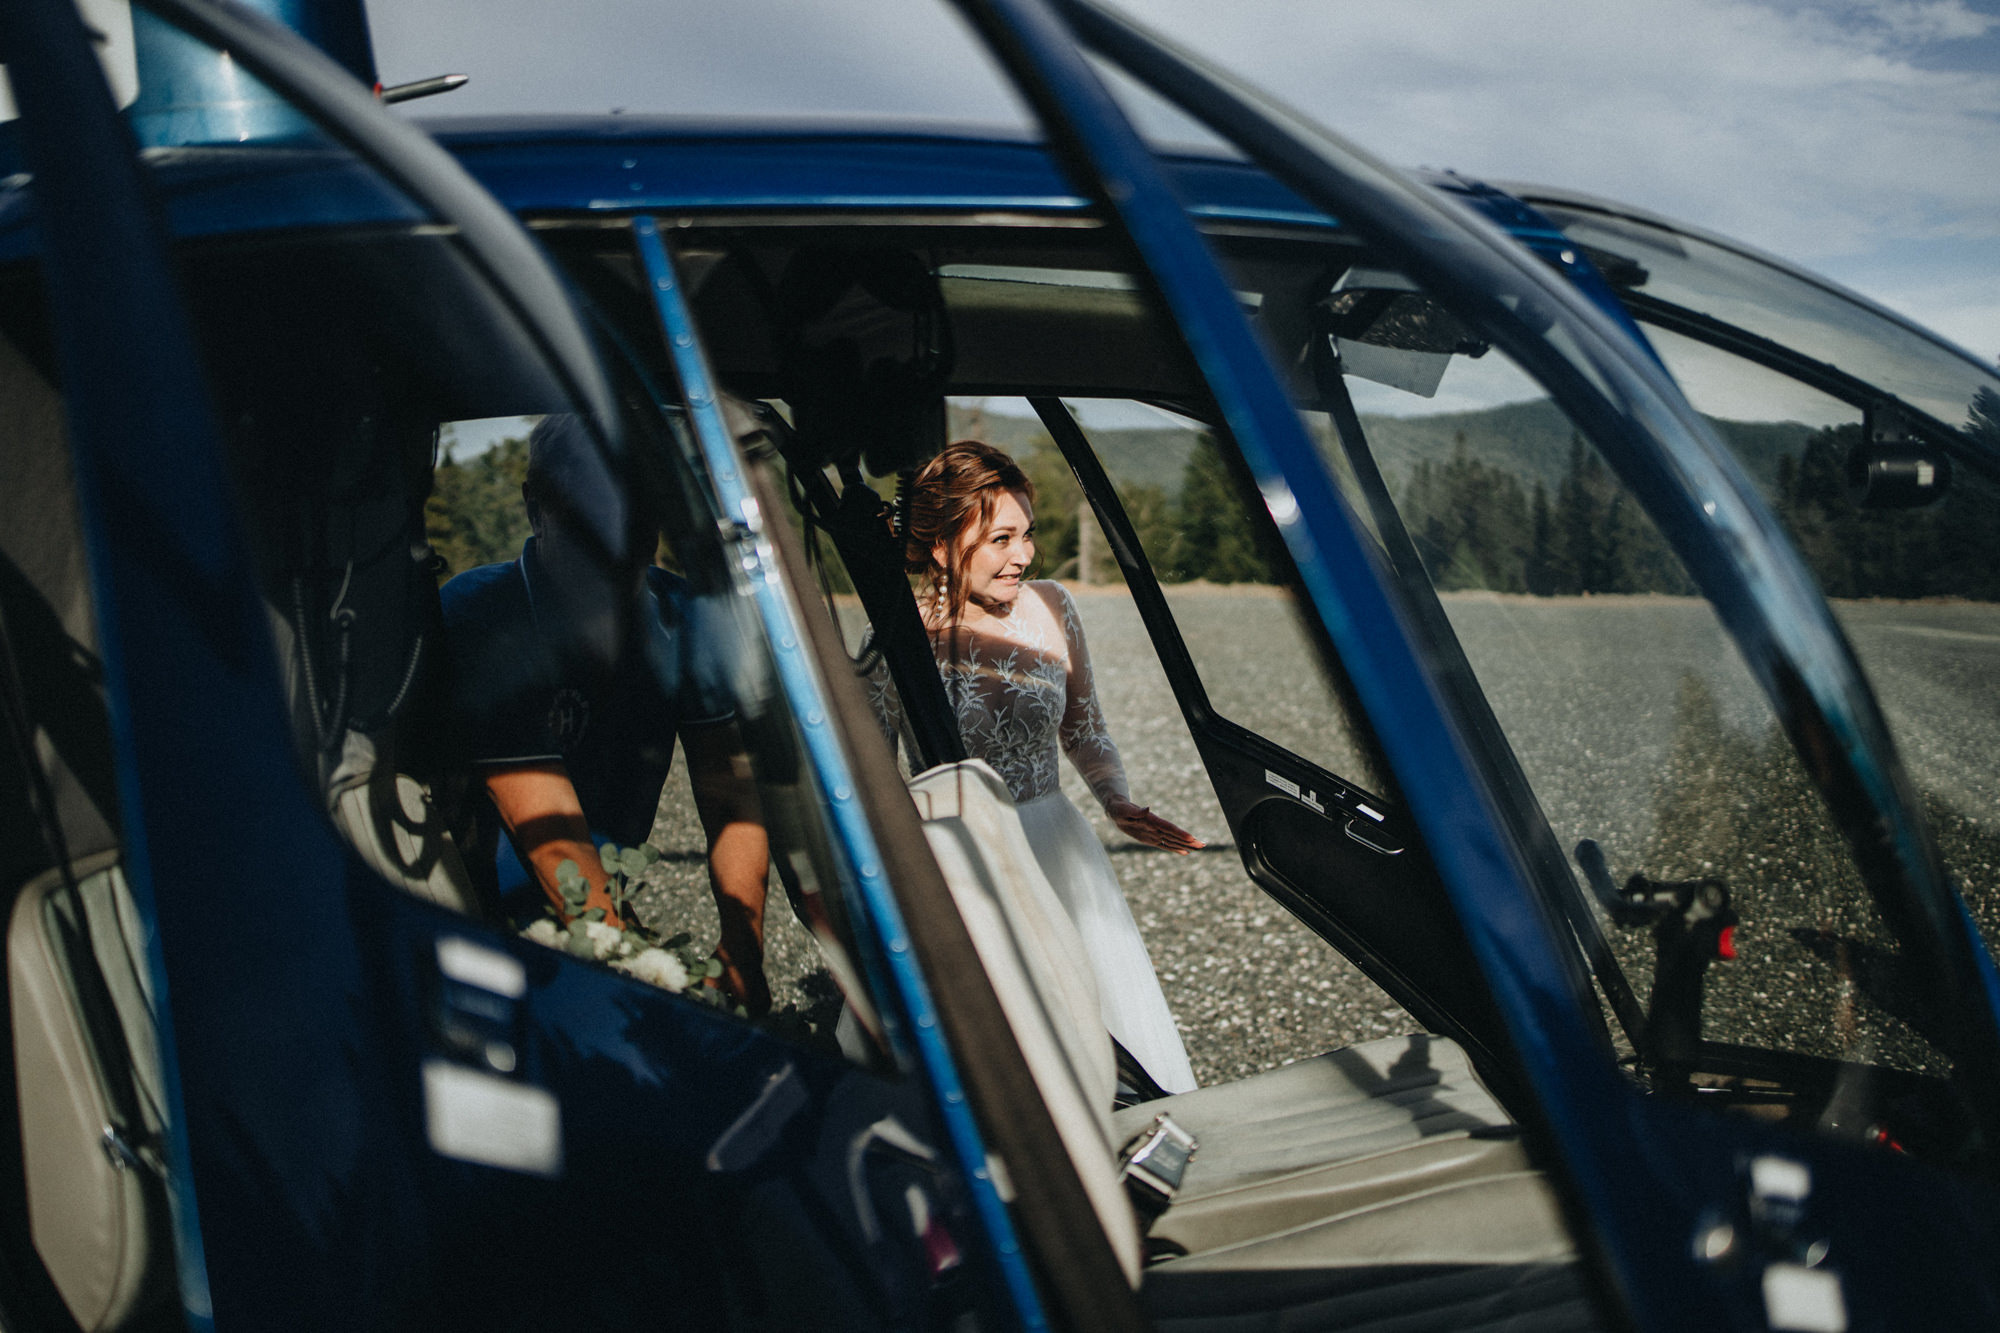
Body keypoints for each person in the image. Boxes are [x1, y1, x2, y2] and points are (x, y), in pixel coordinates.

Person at [886, 440, 1201, 1093]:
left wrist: (1117, 800)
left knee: (1104, 1035)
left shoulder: (1054, 605)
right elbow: (869, 773)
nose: (1024, 555)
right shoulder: (896, 635)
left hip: (1058, 845)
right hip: (961, 862)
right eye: (1001, 538)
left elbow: (1084, 725)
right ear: (943, 546)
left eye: (1027, 533)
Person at [439, 414, 772, 1013]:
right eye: (590, 516)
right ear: (536, 509)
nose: (618, 543)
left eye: (639, 517)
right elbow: (550, 839)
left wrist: (742, 949)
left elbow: (728, 793)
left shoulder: (684, 614)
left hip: (597, 890)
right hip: (474, 910)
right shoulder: (482, 617)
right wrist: (632, 969)